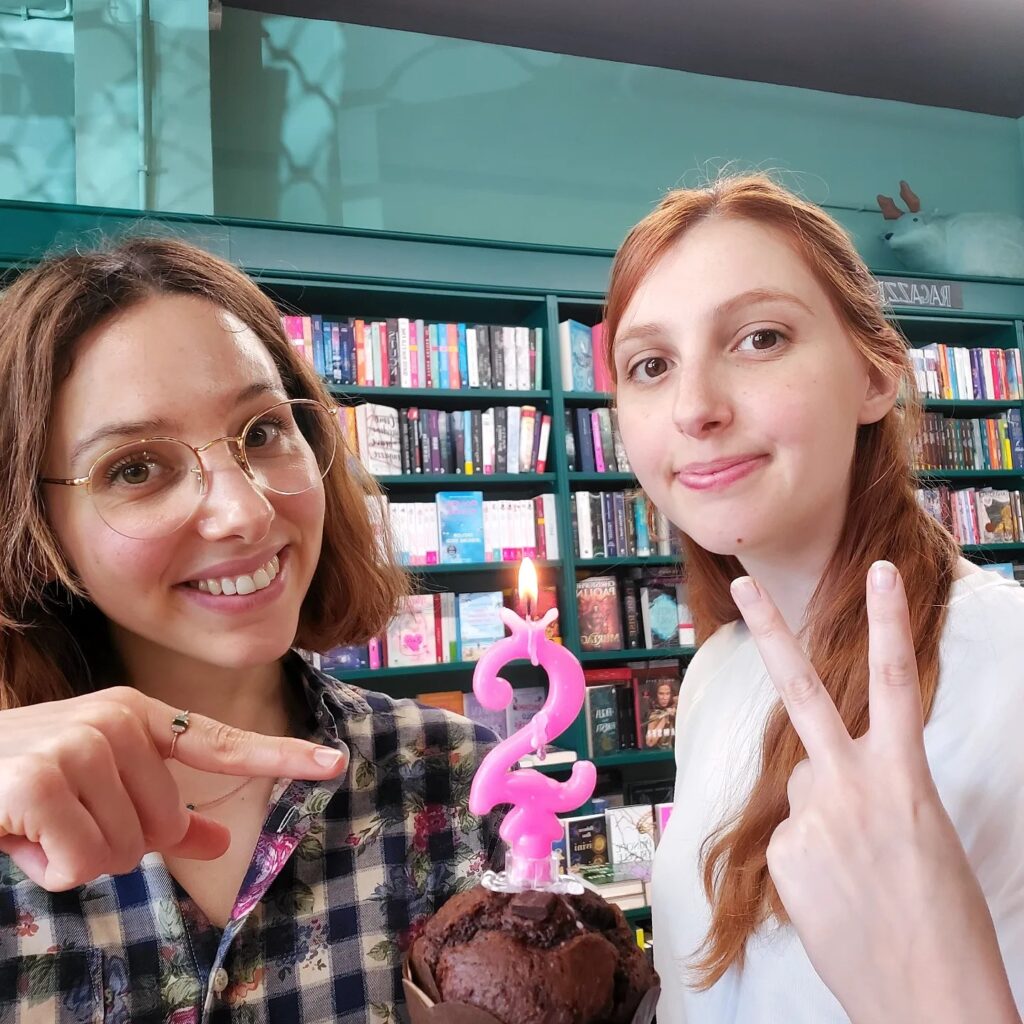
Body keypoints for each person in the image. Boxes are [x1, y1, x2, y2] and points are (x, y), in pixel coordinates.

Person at [0, 237, 503, 1023]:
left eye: (263, 430)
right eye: (136, 467)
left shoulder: (459, 779)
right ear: (33, 523)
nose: (246, 512)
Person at [606, 175, 1024, 1022]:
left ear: (875, 378)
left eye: (760, 338)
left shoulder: (1012, 664)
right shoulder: (715, 675)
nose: (694, 408)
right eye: (650, 365)